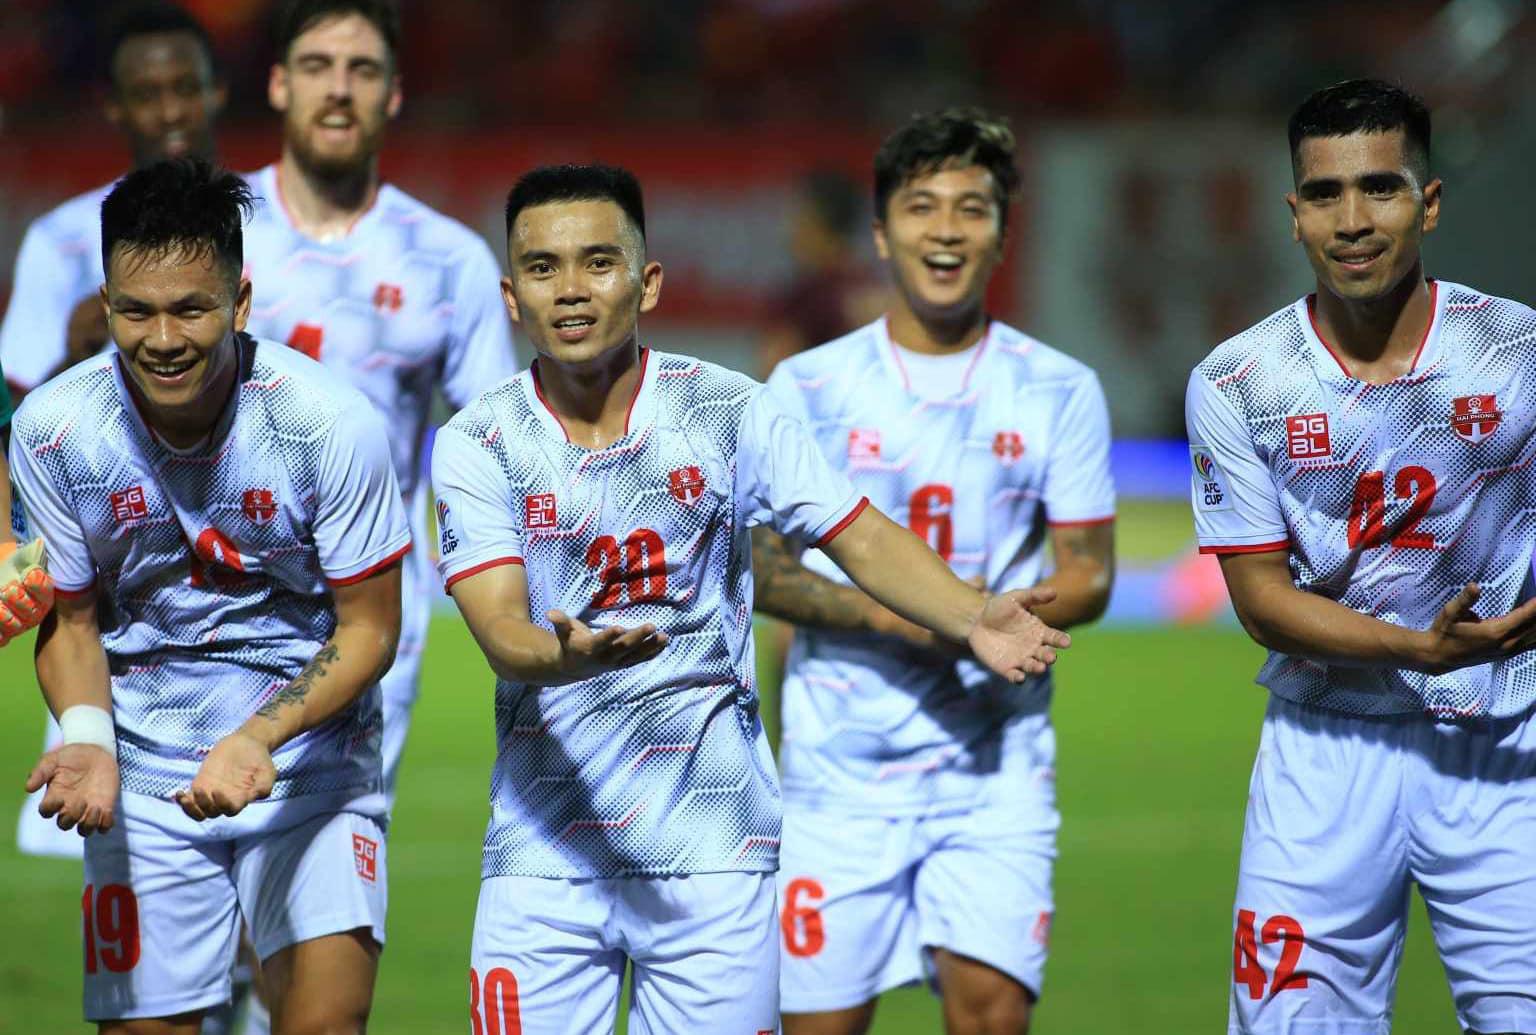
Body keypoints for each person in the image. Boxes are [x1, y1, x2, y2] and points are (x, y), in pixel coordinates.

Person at [431, 163, 1072, 1033]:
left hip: (717, 849)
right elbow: (501, 627)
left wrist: (969, 611)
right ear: (512, 294)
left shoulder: (730, 411)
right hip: (542, 854)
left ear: (647, 281)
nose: (572, 290)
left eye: (598, 262)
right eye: (543, 268)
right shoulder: (477, 441)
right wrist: (563, 657)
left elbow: (861, 535)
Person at [13, 157, 408, 1034]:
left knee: (322, 1024)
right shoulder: (54, 428)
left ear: (239, 302)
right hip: (144, 780)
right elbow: (71, 618)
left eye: (190, 308)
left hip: (309, 772)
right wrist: (87, 738)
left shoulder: (329, 424)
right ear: (106, 304)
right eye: (136, 310)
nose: (162, 338)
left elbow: (371, 625)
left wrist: (259, 735)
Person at [1186, 79, 1536, 1035]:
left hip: (1507, 742)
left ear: (1427, 202)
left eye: (1380, 189)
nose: (1353, 220)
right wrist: (1416, 646)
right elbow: (1259, 599)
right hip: (1325, 751)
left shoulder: (1517, 351)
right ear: (1294, 216)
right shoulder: (1238, 380)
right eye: (1326, 195)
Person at [756, 109, 1116, 1035]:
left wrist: (1009, 615)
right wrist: (918, 619)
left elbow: (1090, 572)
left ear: (1002, 231)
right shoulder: (808, 386)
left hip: (992, 768)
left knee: (990, 1019)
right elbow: (759, 567)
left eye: (972, 208)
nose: (947, 231)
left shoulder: (1059, 387)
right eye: (922, 208)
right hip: (839, 772)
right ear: (881, 231)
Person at [242, 0, 519, 805]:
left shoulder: (450, 261)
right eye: (317, 67)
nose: (339, 89)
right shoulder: (213, 236)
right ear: (278, 85)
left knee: (322, 898)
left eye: (362, 70)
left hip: (371, 616)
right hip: (203, 610)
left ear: (393, 93)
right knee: (201, 897)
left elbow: (490, 448)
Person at [0, 0, 225, 862]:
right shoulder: (63, 242)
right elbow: (21, 417)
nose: (169, 112)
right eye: (148, 92)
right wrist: (73, 356)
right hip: (123, 572)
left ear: (216, 93)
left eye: (184, 89)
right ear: (115, 107)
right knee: (145, 865)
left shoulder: (256, 230)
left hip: (247, 556)